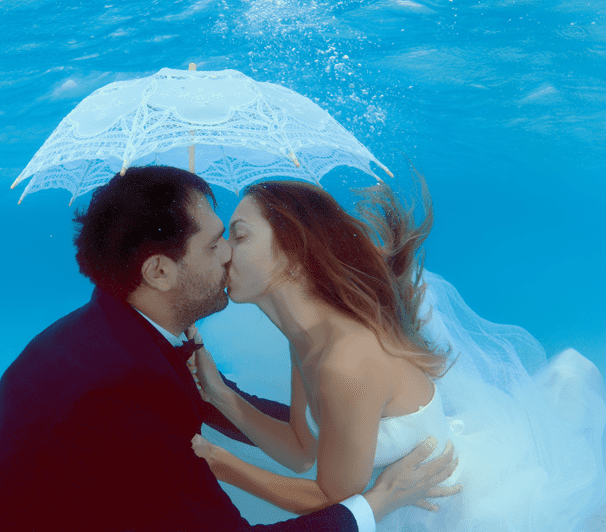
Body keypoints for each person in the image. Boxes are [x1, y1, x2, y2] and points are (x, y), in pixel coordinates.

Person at [0, 166, 460, 532]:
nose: (227, 254)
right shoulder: (119, 385)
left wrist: (220, 398)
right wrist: (372, 505)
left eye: (235, 236)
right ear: (159, 272)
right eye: (216, 241)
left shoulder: (118, 334)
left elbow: (310, 438)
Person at [187, 175, 606, 531]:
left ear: (293, 253)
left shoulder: (346, 361)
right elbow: (301, 452)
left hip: (464, 513)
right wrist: (220, 394)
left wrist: (217, 464)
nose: (223, 251)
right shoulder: (306, 341)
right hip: (405, 508)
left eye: (239, 236)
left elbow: (332, 497)